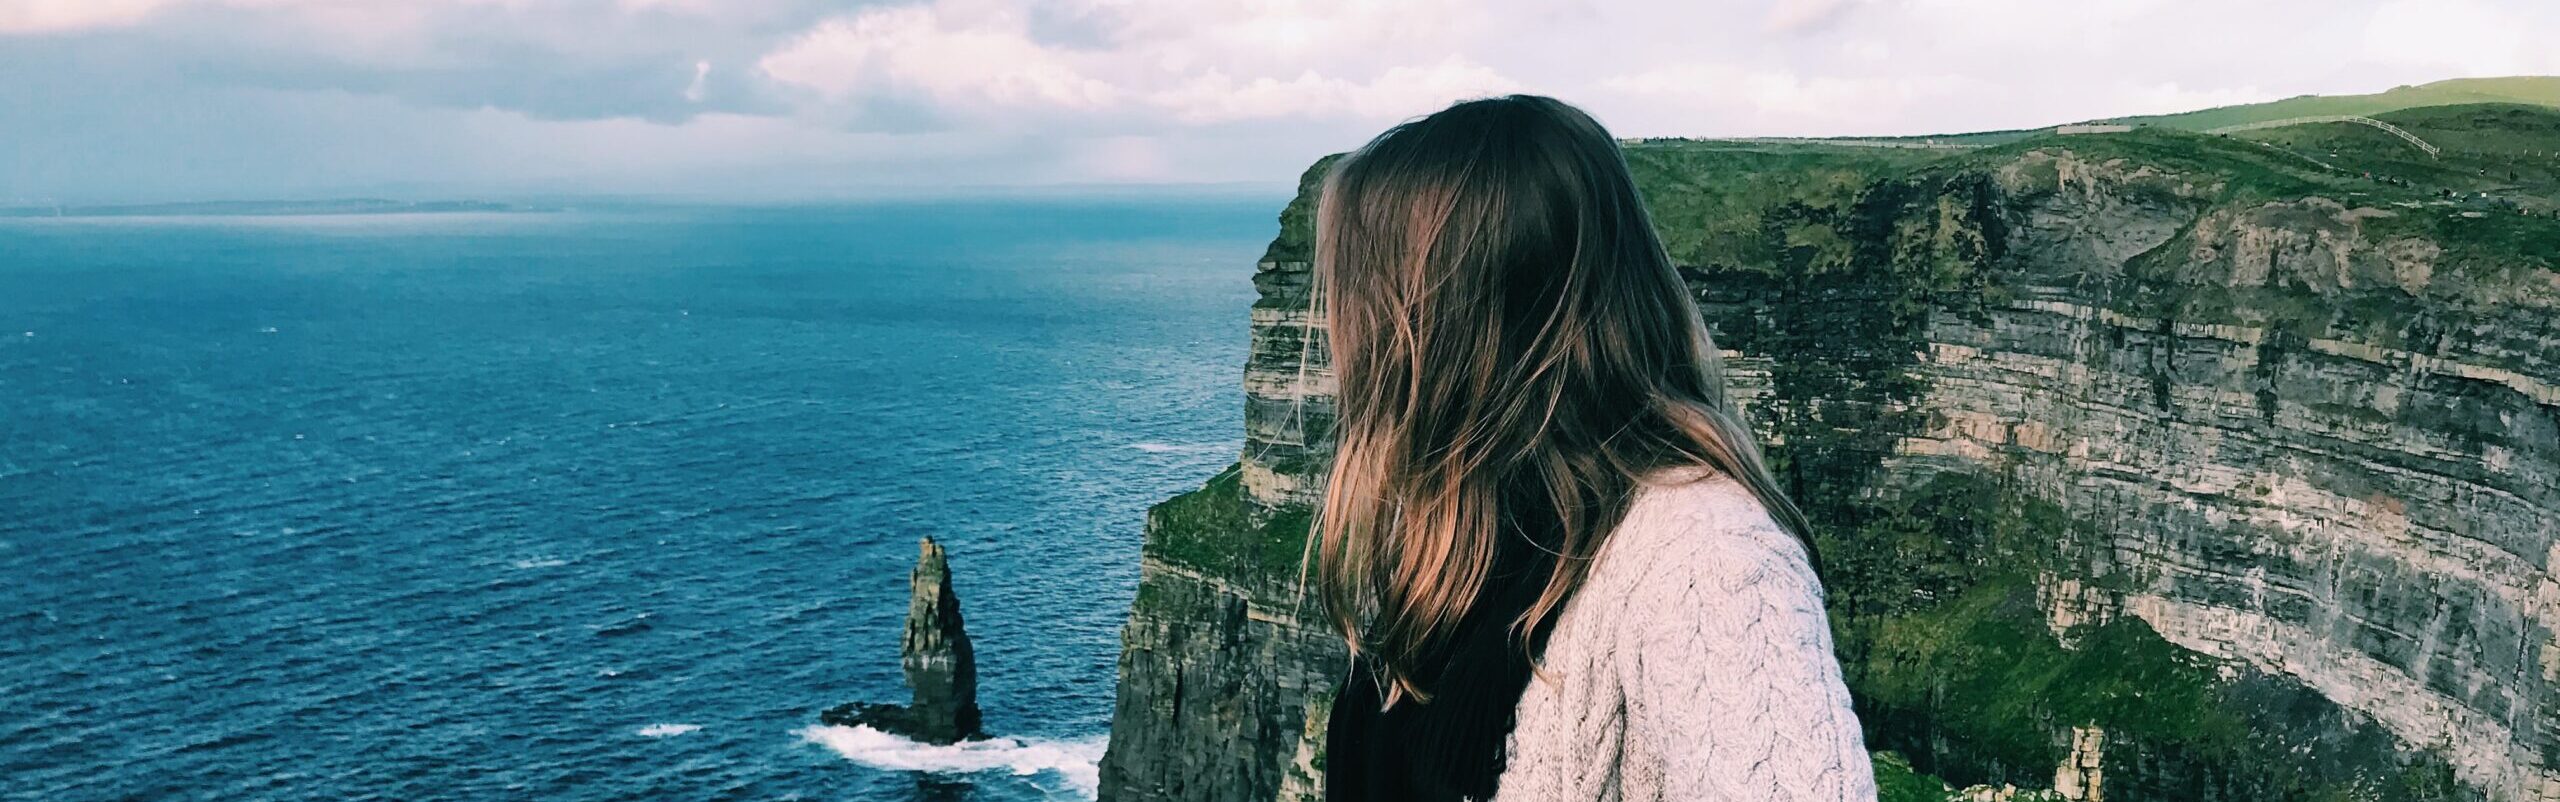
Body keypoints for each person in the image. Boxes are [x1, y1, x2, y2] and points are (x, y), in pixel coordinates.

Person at [1309, 95, 1876, 801]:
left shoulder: (1706, 553)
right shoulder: (1461, 529)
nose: (1345, 338)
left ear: (1453, 314)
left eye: (1366, 294)